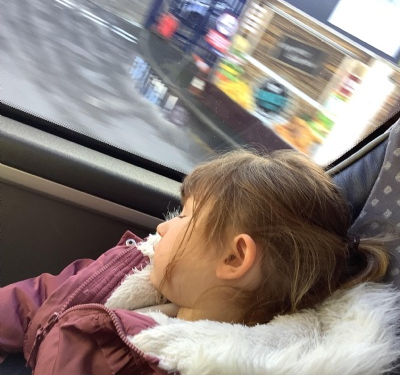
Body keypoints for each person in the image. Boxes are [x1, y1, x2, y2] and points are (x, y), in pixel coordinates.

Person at [0, 149, 399, 374]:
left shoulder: (178, 363)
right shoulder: (136, 275)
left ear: (234, 257)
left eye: (186, 216)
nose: (163, 227)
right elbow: (44, 297)